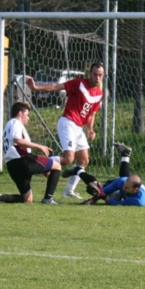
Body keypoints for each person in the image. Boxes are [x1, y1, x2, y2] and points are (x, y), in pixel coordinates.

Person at [26, 62, 105, 200]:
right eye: (95, 74)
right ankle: (37, 162)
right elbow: (56, 86)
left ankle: (68, 191)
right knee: (69, 158)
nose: (97, 78)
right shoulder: (79, 83)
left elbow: (91, 114)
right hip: (68, 122)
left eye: (100, 75)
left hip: (78, 128)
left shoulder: (99, 94)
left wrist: (91, 130)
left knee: (84, 160)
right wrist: (36, 87)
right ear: (90, 74)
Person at [0, 101, 61, 205]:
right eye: (27, 115)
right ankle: (48, 199)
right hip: (23, 161)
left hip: (12, 166)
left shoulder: (8, 125)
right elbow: (18, 140)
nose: (28, 118)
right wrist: (39, 146)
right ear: (20, 113)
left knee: (27, 200)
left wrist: (41, 168)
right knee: (57, 166)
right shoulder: (16, 123)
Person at [63, 142, 145, 207]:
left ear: (135, 189)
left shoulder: (138, 201)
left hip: (127, 192)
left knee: (103, 192)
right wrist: (95, 198)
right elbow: (102, 192)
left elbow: (117, 203)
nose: (123, 188)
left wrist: (101, 197)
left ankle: (125, 155)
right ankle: (78, 170)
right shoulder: (122, 182)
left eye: (127, 188)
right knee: (96, 187)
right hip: (120, 183)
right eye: (124, 186)